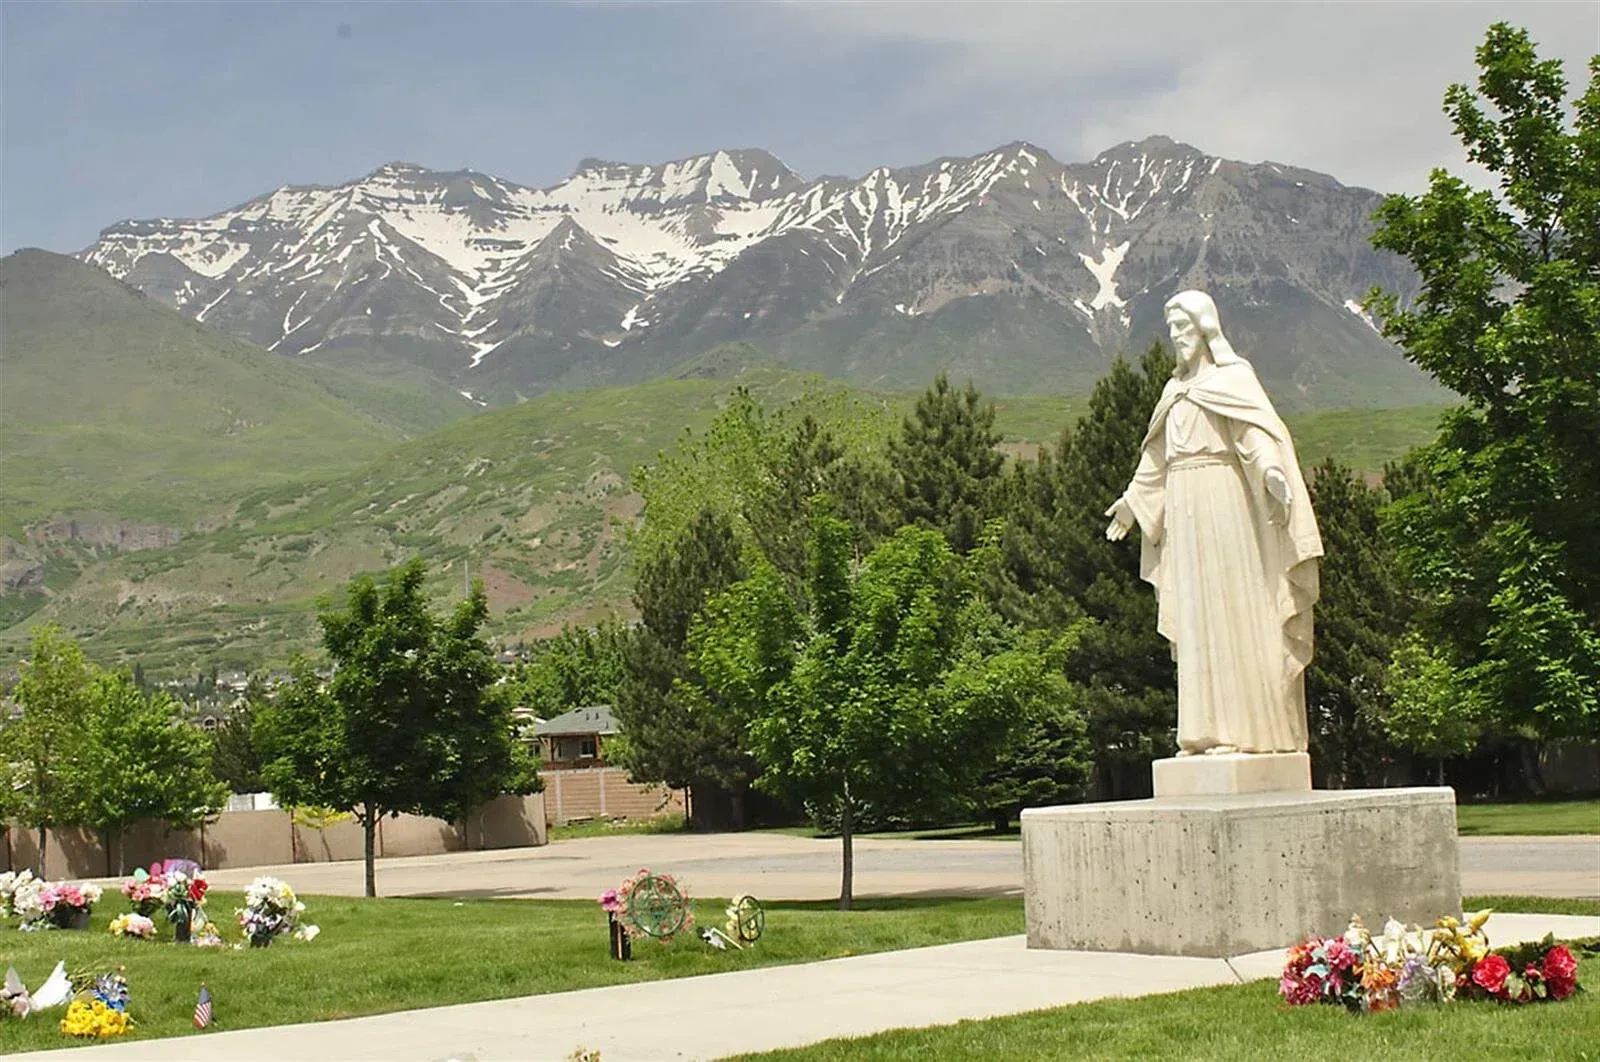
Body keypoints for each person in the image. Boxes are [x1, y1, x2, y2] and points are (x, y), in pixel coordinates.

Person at [1104, 290, 1323, 755]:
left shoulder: (1233, 380)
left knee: (1232, 607)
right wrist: (1132, 502)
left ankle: (1245, 731)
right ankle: (1203, 732)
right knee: (1197, 612)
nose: (1176, 338)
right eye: (1171, 330)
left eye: (1183, 327)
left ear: (1204, 328)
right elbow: (1157, 459)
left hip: (1226, 505)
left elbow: (1256, 436)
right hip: (1184, 509)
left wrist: (1271, 474)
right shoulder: (1173, 391)